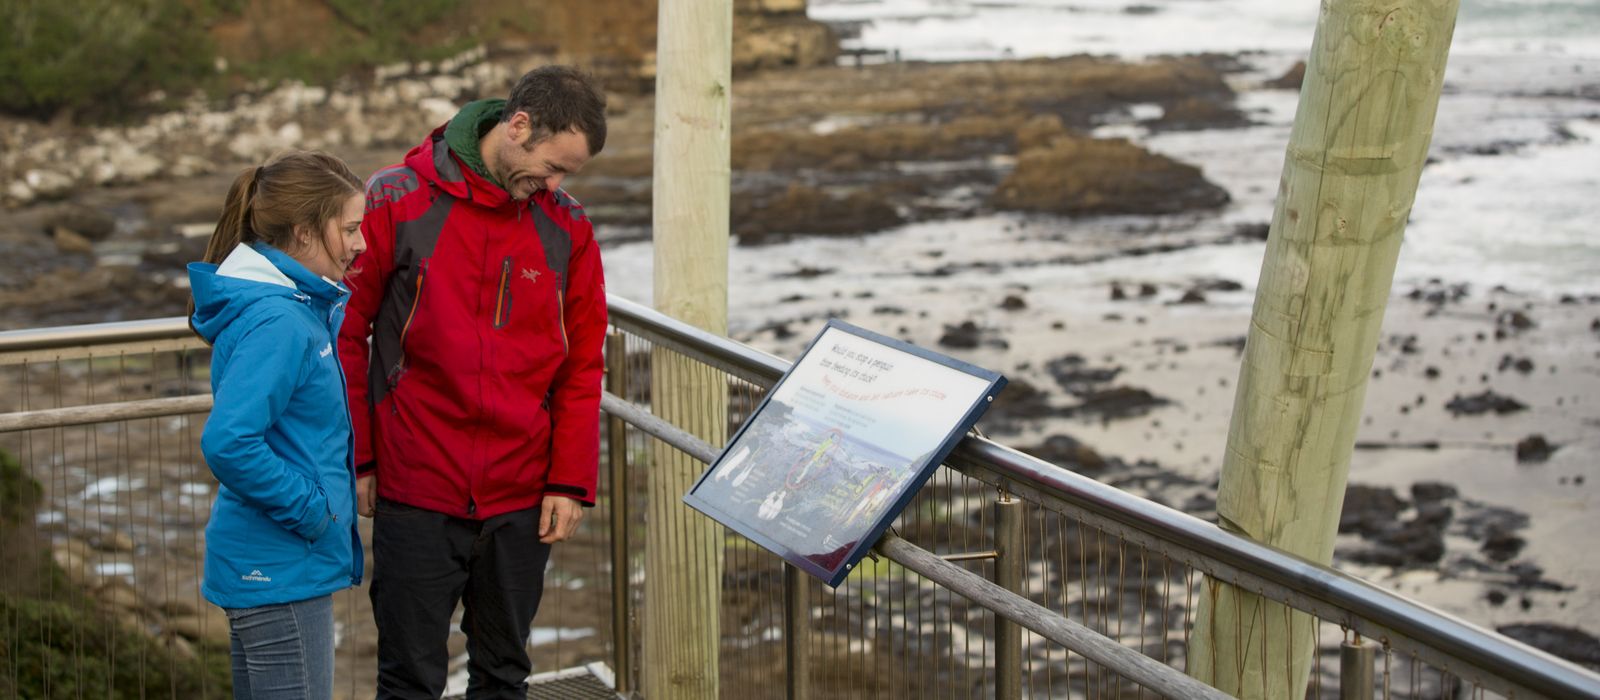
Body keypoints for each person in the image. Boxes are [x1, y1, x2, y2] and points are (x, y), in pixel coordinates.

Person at [337, 65, 608, 699]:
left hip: (522, 492)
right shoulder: (394, 198)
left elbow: (582, 363)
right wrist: (359, 459)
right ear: (518, 126)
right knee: (408, 680)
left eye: (567, 174)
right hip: (414, 482)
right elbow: (344, 336)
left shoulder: (568, 227)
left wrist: (569, 482)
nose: (556, 185)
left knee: (505, 675)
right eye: (553, 166)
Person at [187, 150, 368, 700]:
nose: (362, 243)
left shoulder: (292, 307)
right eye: (350, 229)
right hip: (281, 568)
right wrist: (314, 511)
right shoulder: (280, 320)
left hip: (272, 564)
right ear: (304, 232)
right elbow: (229, 441)